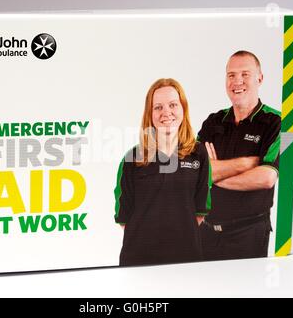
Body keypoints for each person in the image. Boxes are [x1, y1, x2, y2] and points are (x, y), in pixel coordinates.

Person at [114, 78, 212, 266]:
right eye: (158, 107)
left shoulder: (198, 154)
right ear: (149, 114)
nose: (166, 112)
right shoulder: (132, 159)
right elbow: (123, 217)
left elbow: (200, 211)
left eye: (173, 105)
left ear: (183, 109)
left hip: (187, 258)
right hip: (139, 260)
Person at [198, 50, 281, 261]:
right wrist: (246, 164)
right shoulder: (213, 121)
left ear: (259, 78)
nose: (237, 81)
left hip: (248, 234)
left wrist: (214, 173)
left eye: (245, 74)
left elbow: (266, 178)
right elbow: (193, 171)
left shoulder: (278, 123)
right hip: (205, 232)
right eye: (231, 75)